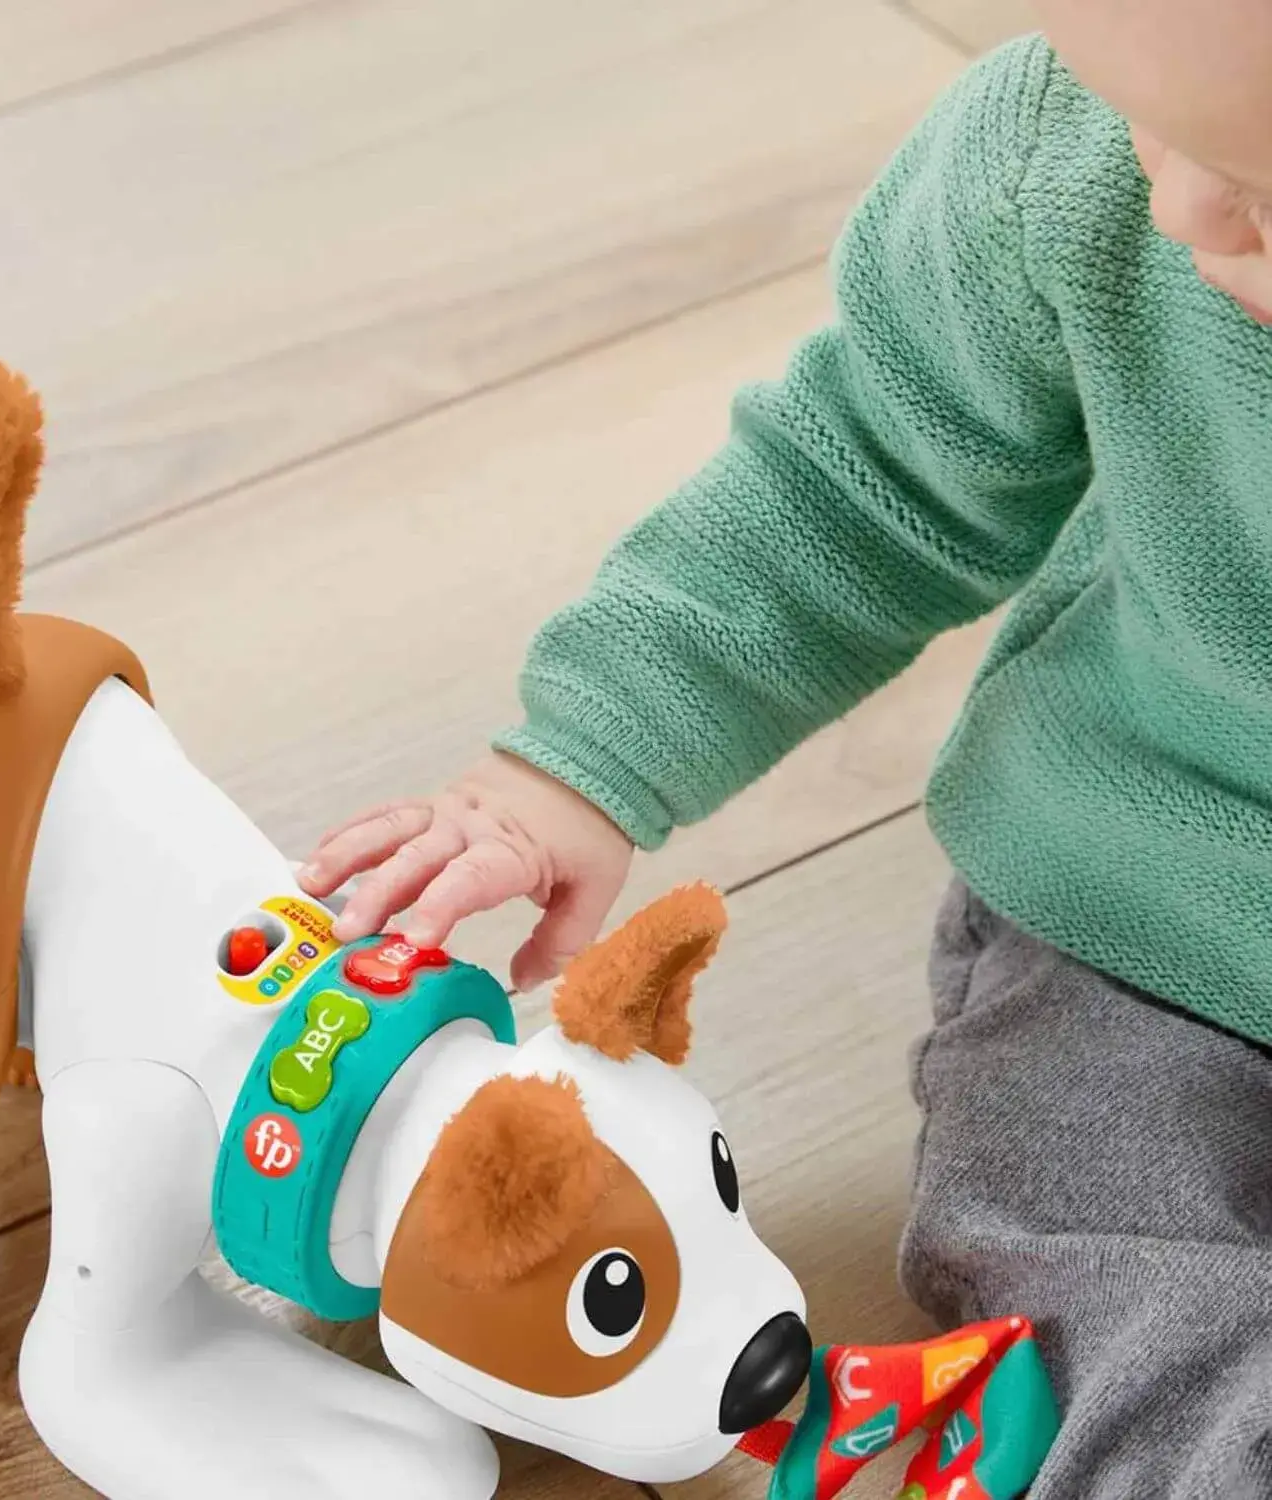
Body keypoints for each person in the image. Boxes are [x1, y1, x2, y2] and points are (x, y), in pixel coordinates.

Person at [301, 4, 1272, 1491]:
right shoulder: (1072, 167)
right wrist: (577, 761)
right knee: (1073, 1215)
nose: (1186, 204)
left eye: (1259, 184)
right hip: (1141, 892)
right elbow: (854, 490)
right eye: (1152, 123)